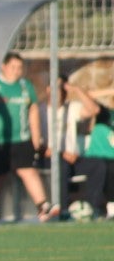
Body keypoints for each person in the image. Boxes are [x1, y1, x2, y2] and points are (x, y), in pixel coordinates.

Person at [0, 52, 57, 223]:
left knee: (28, 171)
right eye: (13, 67)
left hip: (22, 138)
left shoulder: (25, 86)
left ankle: (43, 207)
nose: (17, 71)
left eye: (20, 68)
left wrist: (36, 135)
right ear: (4, 67)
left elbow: (32, 109)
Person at [42, 75, 102, 215]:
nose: (58, 92)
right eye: (55, 88)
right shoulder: (41, 111)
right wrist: (60, 153)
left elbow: (94, 110)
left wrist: (76, 89)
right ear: (48, 89)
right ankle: (62, 209)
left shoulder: (71, 108)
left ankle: (92, 207)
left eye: (61, 88)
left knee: (98, 165)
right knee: (61, 164)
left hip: (72, 158)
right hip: (50, 158)